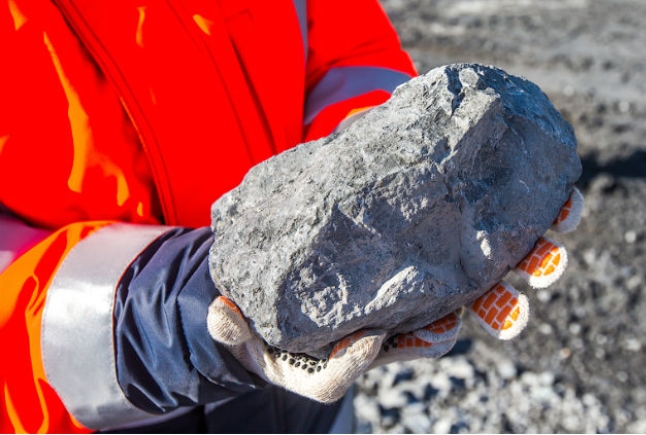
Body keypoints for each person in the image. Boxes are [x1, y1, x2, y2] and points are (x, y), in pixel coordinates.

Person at [0, 0, 583, 433]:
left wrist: (376, 153)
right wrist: (156, 315)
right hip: (117, 405)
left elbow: (347, 48)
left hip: (314, 397)